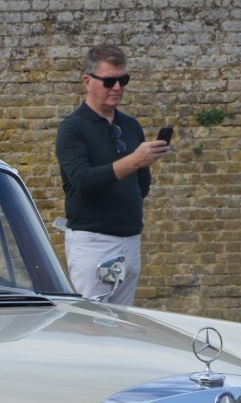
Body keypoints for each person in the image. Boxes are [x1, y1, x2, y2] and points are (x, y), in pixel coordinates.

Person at [55, 44, 171, 303]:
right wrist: (134, 160)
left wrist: (137, 168)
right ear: (88, 82)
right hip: (94, 242)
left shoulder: (130, 125)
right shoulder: (73, 128)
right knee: (92, 321)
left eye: (122, 80)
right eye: (109, 81)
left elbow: (142, 183)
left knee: (122, 321)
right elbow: (82, 181)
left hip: (130, 238)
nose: (117, 87)